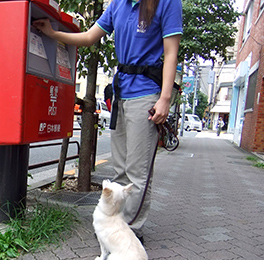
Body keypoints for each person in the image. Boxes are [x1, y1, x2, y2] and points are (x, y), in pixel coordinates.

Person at [33, 0, 183, 243]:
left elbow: (170, 53)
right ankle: (120, 224)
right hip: (121, 92)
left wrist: (165, 98)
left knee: (138, 170)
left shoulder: (167, 2)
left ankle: (130, 230)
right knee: (121, 168)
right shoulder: (118, 5)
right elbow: (89, 37)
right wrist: (52, 33)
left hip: (146, 94)